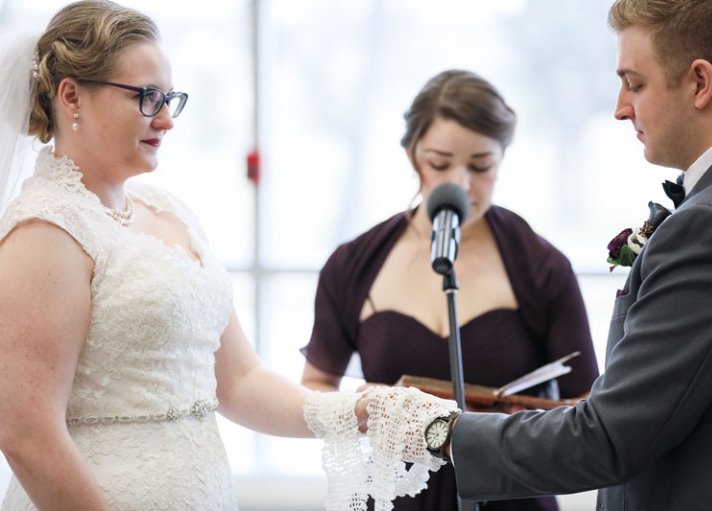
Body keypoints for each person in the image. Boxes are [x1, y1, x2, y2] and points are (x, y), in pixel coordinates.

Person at [0, 2, 443, 510]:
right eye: (147, 98)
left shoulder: (171, 213)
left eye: (169, 98)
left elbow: (238, 380)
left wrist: (360, 410)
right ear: (71, 95)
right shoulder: (45, 231)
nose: (165, 120)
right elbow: (26, 434)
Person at [395, 0, 712, 509]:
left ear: (700, 83)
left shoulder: (710, 228)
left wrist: (441, 430)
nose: (620, 107)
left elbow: (609, 436)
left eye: (634, 83)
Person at [300, 69, 600, 511]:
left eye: (481, 166)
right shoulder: (352, 264)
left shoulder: (542, 267)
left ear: (502, 159)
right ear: (411, 155)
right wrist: (361, 410)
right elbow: (316, 385)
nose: (460, 183)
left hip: (511, 495)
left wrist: (524, 423)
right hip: (394, 496)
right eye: (440, 164)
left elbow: (588, 405)